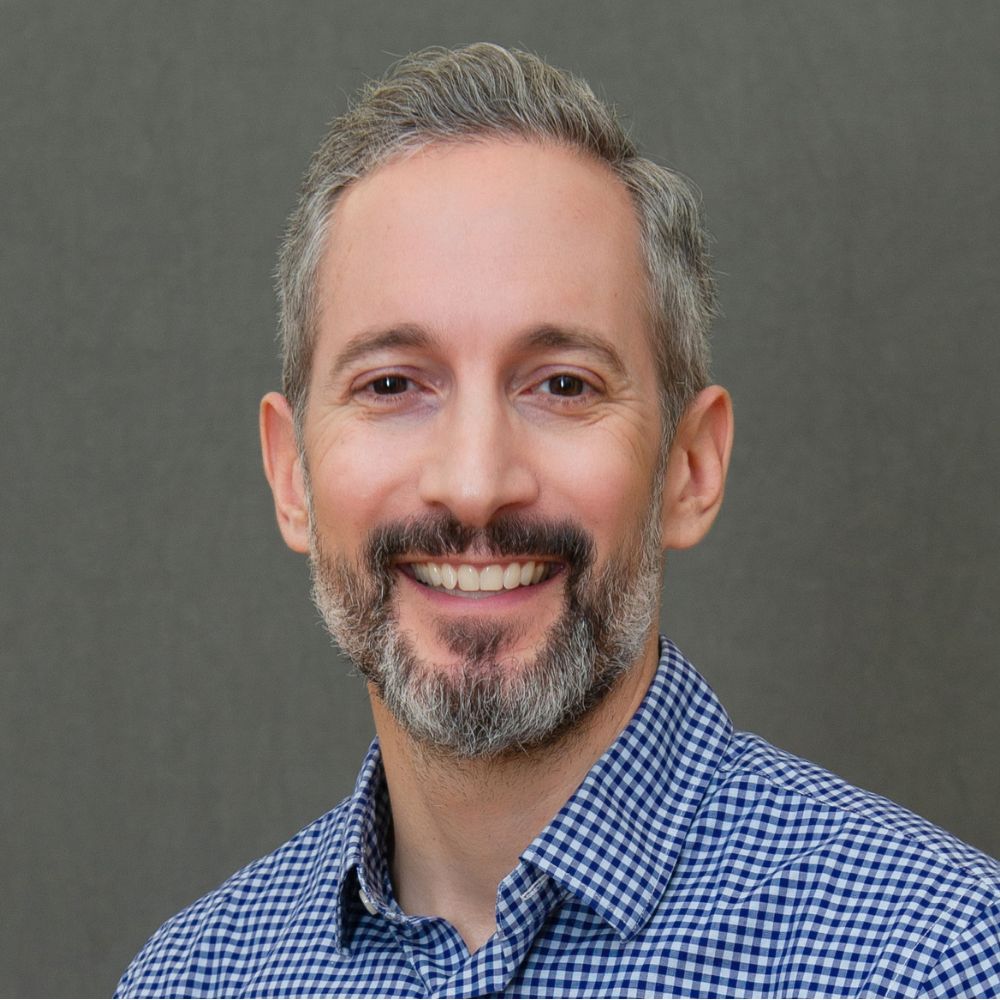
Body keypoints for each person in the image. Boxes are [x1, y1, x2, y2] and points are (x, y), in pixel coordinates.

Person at [115, 43, 1000, 999]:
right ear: (292, 475)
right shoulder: (193, 979)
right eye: (393, 384)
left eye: (563, 385)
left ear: (689, 468)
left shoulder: (934, 960)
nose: (474, 482)